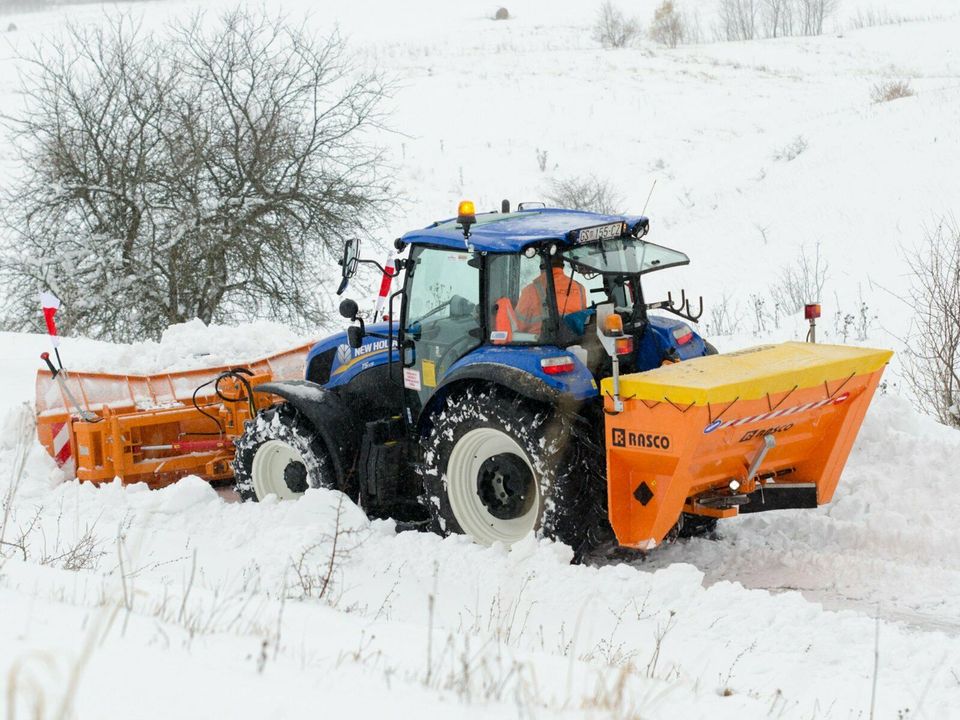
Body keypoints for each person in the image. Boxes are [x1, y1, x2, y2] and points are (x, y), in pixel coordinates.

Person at [515, 255, 587, 334]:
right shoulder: (579, 287)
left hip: (540, 342)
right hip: (573, 341)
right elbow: (583, 318)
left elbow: (518, 326)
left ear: (542, 266)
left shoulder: (530, 290)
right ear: (562, 266)